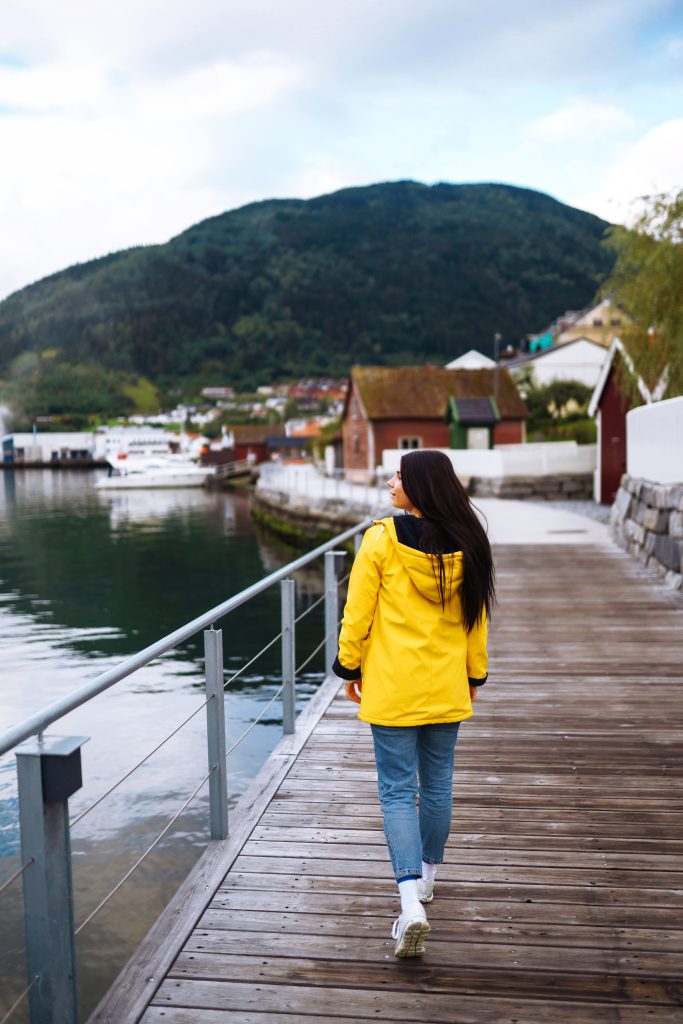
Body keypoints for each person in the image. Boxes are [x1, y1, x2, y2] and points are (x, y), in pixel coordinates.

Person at [332, 449, 494, 957]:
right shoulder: (469, 542)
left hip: (393, 688)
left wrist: (349, 667)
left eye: (399, 476)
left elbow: (357, 613)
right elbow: (477, 620)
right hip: (446, 685)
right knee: (438, 783)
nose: (390, 482)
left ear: (420, 487)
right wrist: (474, 674)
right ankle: (426, 880)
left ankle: (409, 905)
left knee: (398, 791)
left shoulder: (380, 539)